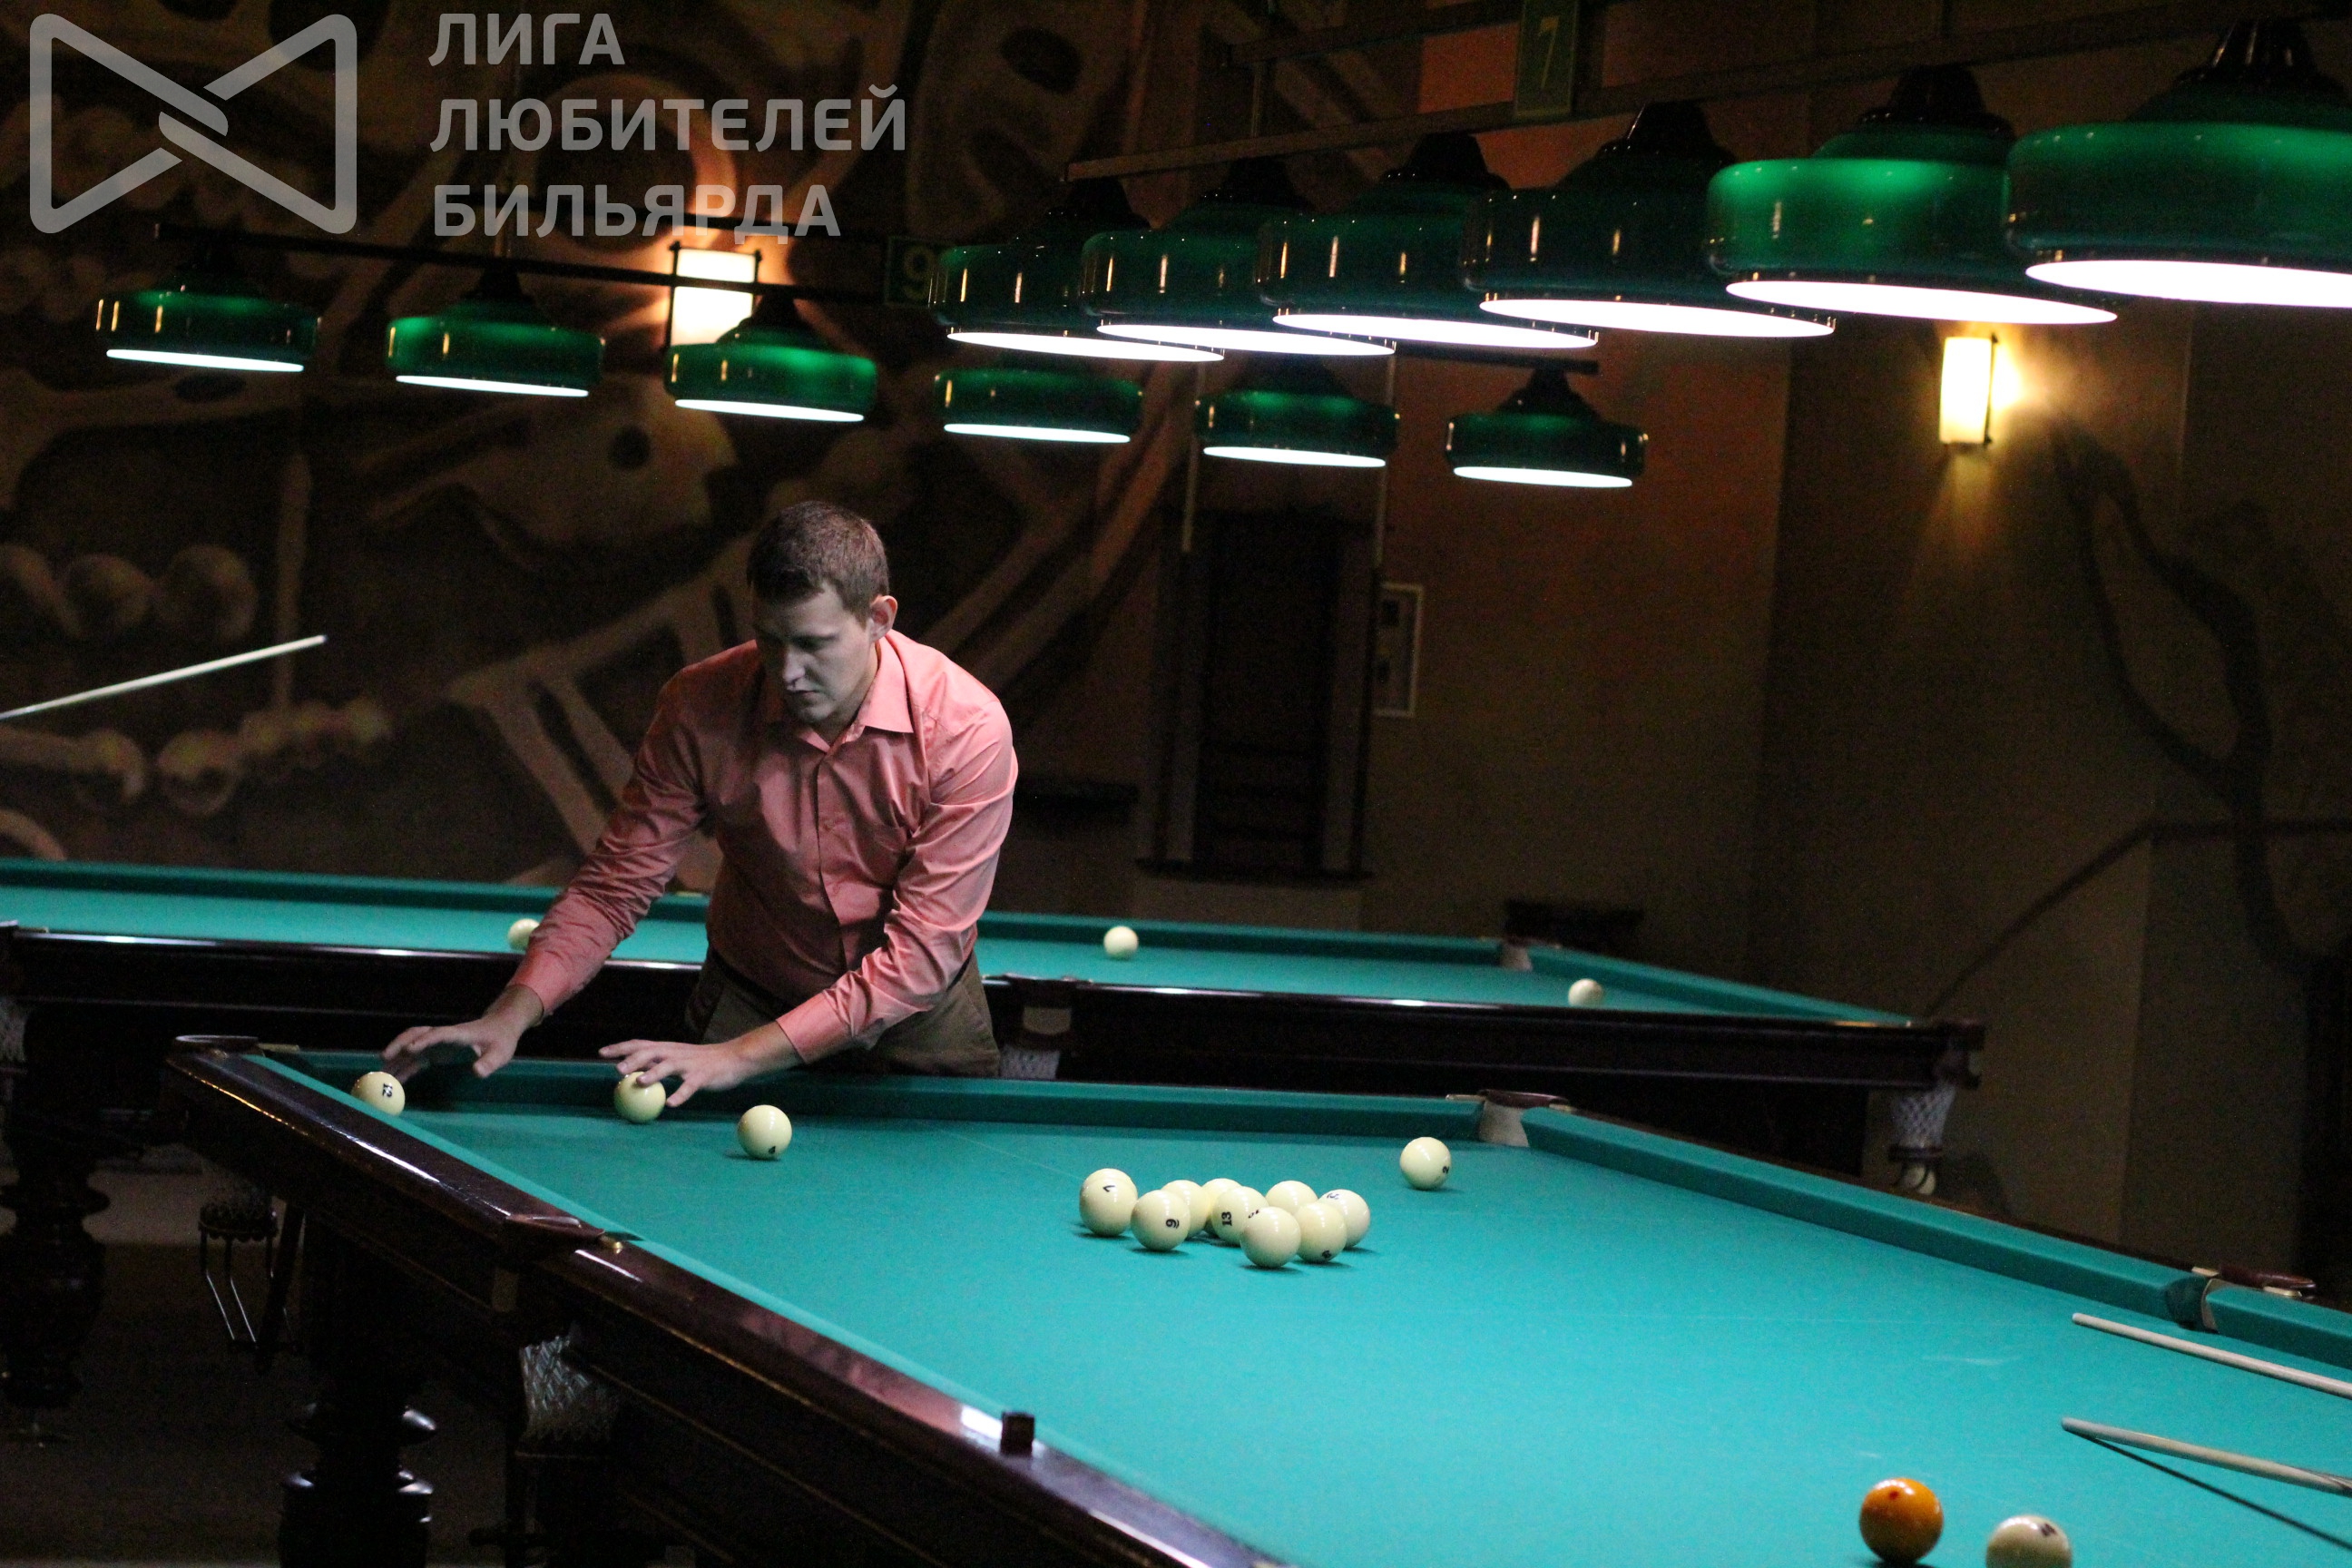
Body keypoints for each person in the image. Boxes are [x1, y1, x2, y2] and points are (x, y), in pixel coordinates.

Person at [385, 501, 1017, 1102]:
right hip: (753, 995)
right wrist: (509, 1015)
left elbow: (917, 962)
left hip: (918, 1021)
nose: (787, 672)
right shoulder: (699, 705)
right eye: (770, 640)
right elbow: (614, 886)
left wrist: (739, 1058)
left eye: (813, 644)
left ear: (879, 618)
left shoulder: (965, 730)